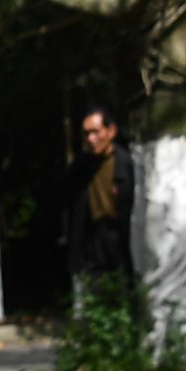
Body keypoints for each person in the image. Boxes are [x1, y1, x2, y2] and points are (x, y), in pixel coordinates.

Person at [67, 105, 135, 287]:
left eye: (96, 132)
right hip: (92, 240)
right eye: (86, 133)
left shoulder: (126, 163)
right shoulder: (80, 167)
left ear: (111, 131)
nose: (91, 139)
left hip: (120, 237)